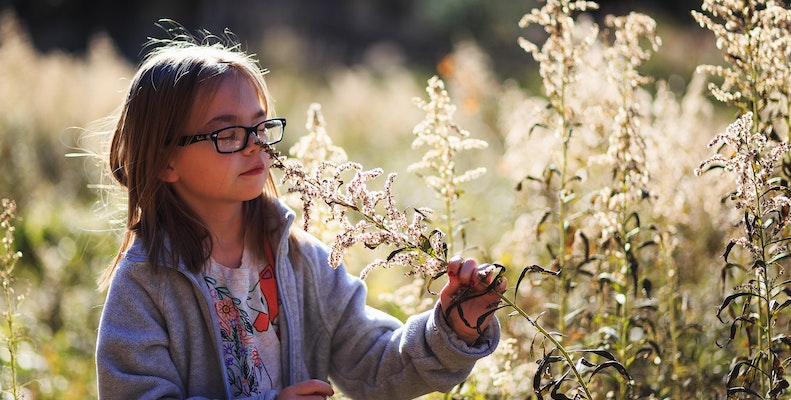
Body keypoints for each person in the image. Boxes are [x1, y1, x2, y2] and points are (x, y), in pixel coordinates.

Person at [95, 21, 505, 400]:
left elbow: (376, 365)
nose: (256, 144)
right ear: (166, 160)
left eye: (260, 126)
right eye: (229, 134)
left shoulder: (300, 258)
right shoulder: (144, 285)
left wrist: (451, 326)